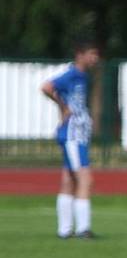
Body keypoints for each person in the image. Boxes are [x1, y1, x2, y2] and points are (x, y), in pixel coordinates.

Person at [41, 38, 100, 239]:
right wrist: (63, 107)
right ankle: (83, 228)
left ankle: (64, 230)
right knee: (85, 178)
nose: (95, 58)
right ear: (80, 54)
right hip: (73, 134)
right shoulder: (71, 74)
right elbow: (47, 87)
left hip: (78, 134)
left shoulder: (84, 77)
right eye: (91, 53)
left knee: (68, 180)